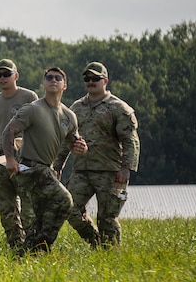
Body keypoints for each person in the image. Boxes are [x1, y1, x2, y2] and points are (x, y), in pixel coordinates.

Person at [2, 67, 88, 253]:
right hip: (30, 167)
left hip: (47, 169)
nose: (53, 80)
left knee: (38, 218)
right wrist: (10, 159)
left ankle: (32, 250)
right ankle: (39, 246)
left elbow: (74, 143)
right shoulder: (33, 109)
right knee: (64, 200)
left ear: (65, 85)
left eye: (58, 78)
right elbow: (9, 131)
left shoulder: (69, 116)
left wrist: (80, 148)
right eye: (49, 77)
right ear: (44, 83)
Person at [56, 62, 140, 247]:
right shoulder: (76, 108)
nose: (91, 82)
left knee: (107, 219)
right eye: (87, 79)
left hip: (111, 172)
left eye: (95, 78)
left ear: (105, 81)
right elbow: (66, 139)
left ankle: (110, 257)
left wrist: (126, 169)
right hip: (82, 171)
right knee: (68, 208)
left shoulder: (119, 108)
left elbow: (130, 141)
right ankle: (95, 242)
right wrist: (57, 166)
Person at [0, 59, 38, 251]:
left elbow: (36, 127)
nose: (2, 78)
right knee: (6, 207)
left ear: (16, 75)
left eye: (6, 74)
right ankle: (16, 248)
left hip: (23, 155)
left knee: (28, 206)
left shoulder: (28, 96)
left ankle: (34, 248)